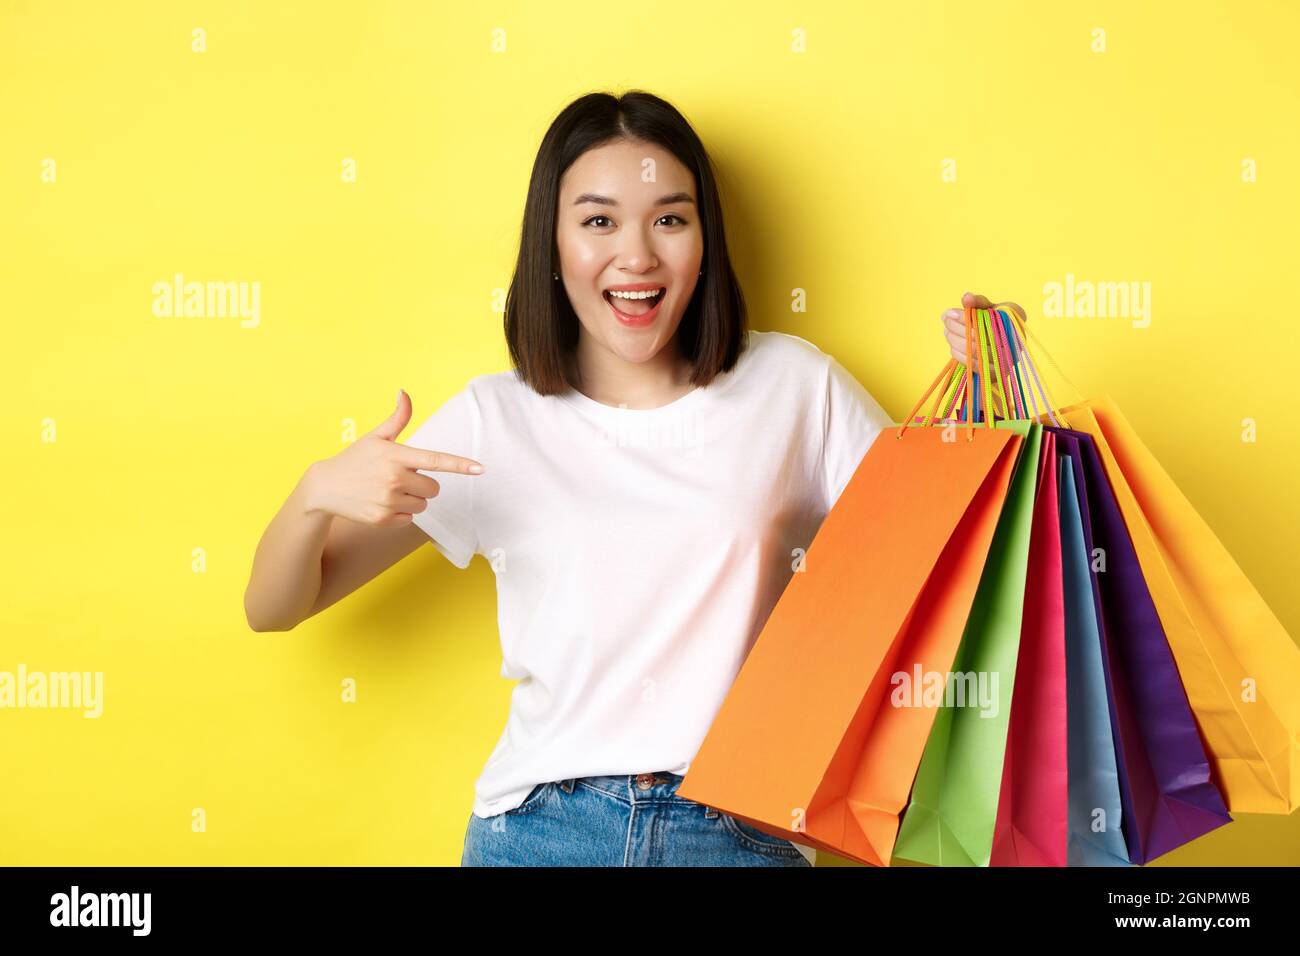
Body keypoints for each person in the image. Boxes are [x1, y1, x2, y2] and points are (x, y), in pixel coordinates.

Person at [243, 89, 1025, 866]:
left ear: (705, 240)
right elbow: (276, 607)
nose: (637, 254)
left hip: (738, 830)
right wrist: (313, 495)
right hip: (539, 832)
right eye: (598, 220)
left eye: (670, 218)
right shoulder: (494, 419)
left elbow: (961, 563)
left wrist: (995, 395)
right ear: (551, 246)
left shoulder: (795, 386)